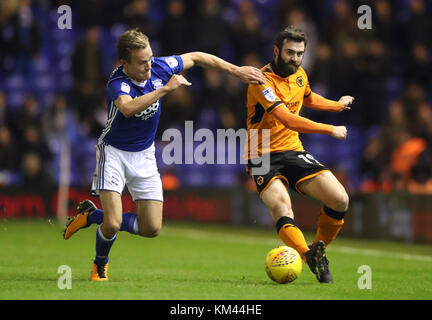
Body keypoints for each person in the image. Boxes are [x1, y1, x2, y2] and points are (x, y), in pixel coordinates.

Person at [63, 28, 265, 281]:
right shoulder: (118, 83)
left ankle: (91, 215)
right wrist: (165, 90)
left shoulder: (159, 66)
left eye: (150, 59)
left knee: (151, 228)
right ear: (124, 63)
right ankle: (100, 263)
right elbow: (127, 108)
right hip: (113, 153)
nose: (149, 66)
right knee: (113, 223)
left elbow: (198, 56)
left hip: (145, 154)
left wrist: (235, 71)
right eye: (142, 62)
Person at [245, 26, 353, 283]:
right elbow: (287, 118)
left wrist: (337, 105)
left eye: (299, 53)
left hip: (292, 150)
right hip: (260, 155)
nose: (295, 58)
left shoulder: (300, 74)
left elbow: (309, 97)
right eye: (290, 52)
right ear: (276, 51)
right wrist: (330, 129)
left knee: (340, 199)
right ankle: (307, 255)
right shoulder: (261, 80)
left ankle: (318, 251)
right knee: (282, 207)